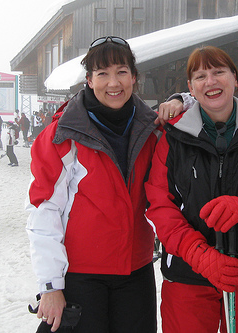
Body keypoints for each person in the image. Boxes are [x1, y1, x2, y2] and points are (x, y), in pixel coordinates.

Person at [25, 36, 180, 333]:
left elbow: (205, 103)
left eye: (122, 72)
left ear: (134, 77)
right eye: (102, 74)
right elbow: (44, 210)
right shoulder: (63, 135)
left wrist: (180, 99)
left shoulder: (150, 130)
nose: (113, 83)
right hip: (82, 276)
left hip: (136, 272)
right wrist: (50, 286)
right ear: (89, 80)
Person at [145, 46, 238, 333]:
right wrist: (198, 254)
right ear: (190, 87)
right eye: (200, 76)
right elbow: (160, 206)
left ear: (235, 79)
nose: (211, 82)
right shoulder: (173, 138)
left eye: (218, 72)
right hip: (187, 276)